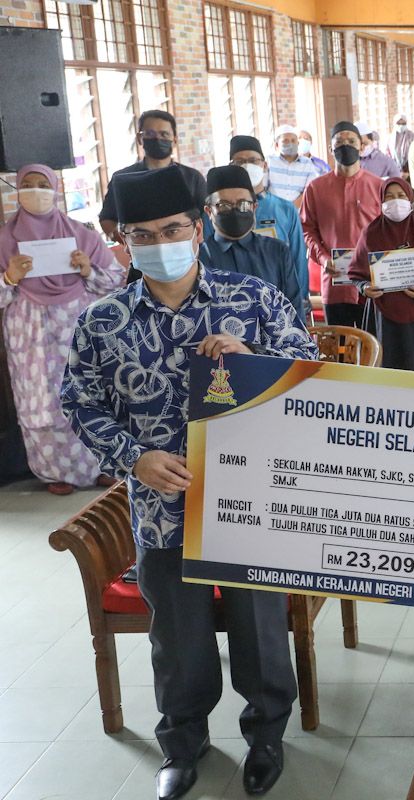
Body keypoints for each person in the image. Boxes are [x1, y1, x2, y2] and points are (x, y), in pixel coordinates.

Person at [61, 164, 317, 800]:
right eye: (142, 234)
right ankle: (183, 740)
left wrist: (255, 363)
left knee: (260, 630)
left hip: (251, 504)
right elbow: (80, 403)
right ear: (123, 242)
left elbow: (309, 378)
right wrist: (132, 457)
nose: (160, 242)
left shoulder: (254, 302)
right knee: (178, 637)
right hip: (161, 508)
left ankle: (266, 734)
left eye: (173, 228)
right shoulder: (103, 321)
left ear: (198, 229)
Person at [0, 164, 124, 495]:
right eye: (28, 184)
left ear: (56, 190)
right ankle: (54, 472)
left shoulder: (82, 235)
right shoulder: (3, 240)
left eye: (44, 184)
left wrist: (87, 269)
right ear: (17, 190)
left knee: (89, 393)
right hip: (30, 337)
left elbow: (115, 281)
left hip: (77, 328)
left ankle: (101, 466)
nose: (37, 191)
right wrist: (9, 277)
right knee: (40, 402)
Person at [348, 177, 414, 373]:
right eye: (389, 197)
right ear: (381, 201)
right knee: (386, 376)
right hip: (382, 316)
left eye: (401, 196)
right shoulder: (370, 233)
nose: (395, 201)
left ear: (410, 199)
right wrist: (364, 287)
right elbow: (356, 273)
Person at [300, 121, 383, 327]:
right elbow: (306, 229)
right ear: (331, 149)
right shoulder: (315, 188)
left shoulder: (378, 186)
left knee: (374, 350)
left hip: (372, 282)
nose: (345, 145)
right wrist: (323, 257)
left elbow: (389, 230)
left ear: (361, 147)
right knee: (340, 351)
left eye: (351, 141)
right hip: (335, 284)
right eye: (339, 142)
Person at [199, 165, 305, 317]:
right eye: (223, 205)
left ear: (254, 207)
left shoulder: (277, 252)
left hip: (274, 340)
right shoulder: (198, 259)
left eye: (243, 204)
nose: (235, 210)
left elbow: (294, 313)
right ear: (209, 211)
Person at [99, 110, 206, 242]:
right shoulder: (123, 178)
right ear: (139, 138)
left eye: (164, 134)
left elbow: (205, 218)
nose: (157, 138)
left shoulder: (192, 177)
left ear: (175, 140)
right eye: (150, 133)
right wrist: (127, 242)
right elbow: (107, 219)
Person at [229, 135, 308, 312]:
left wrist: (301, 298)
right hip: (235, 302)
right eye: (239, 161)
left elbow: (297, 258)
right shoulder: (221, 212)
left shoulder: (285, 209)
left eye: (253, 160)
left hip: (280, 300)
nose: (247, 166)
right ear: (231, 167)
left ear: (264, 165)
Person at [266, 125, 321, 207]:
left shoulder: (307, 163)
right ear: (277, 145)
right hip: (272, 211)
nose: (290, 143)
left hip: (298, 212)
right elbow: (262, 190)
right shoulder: (269, 161)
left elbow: (309, 191)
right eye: (285, 141)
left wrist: (291, 209)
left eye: (293, 140)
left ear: (298, 143)